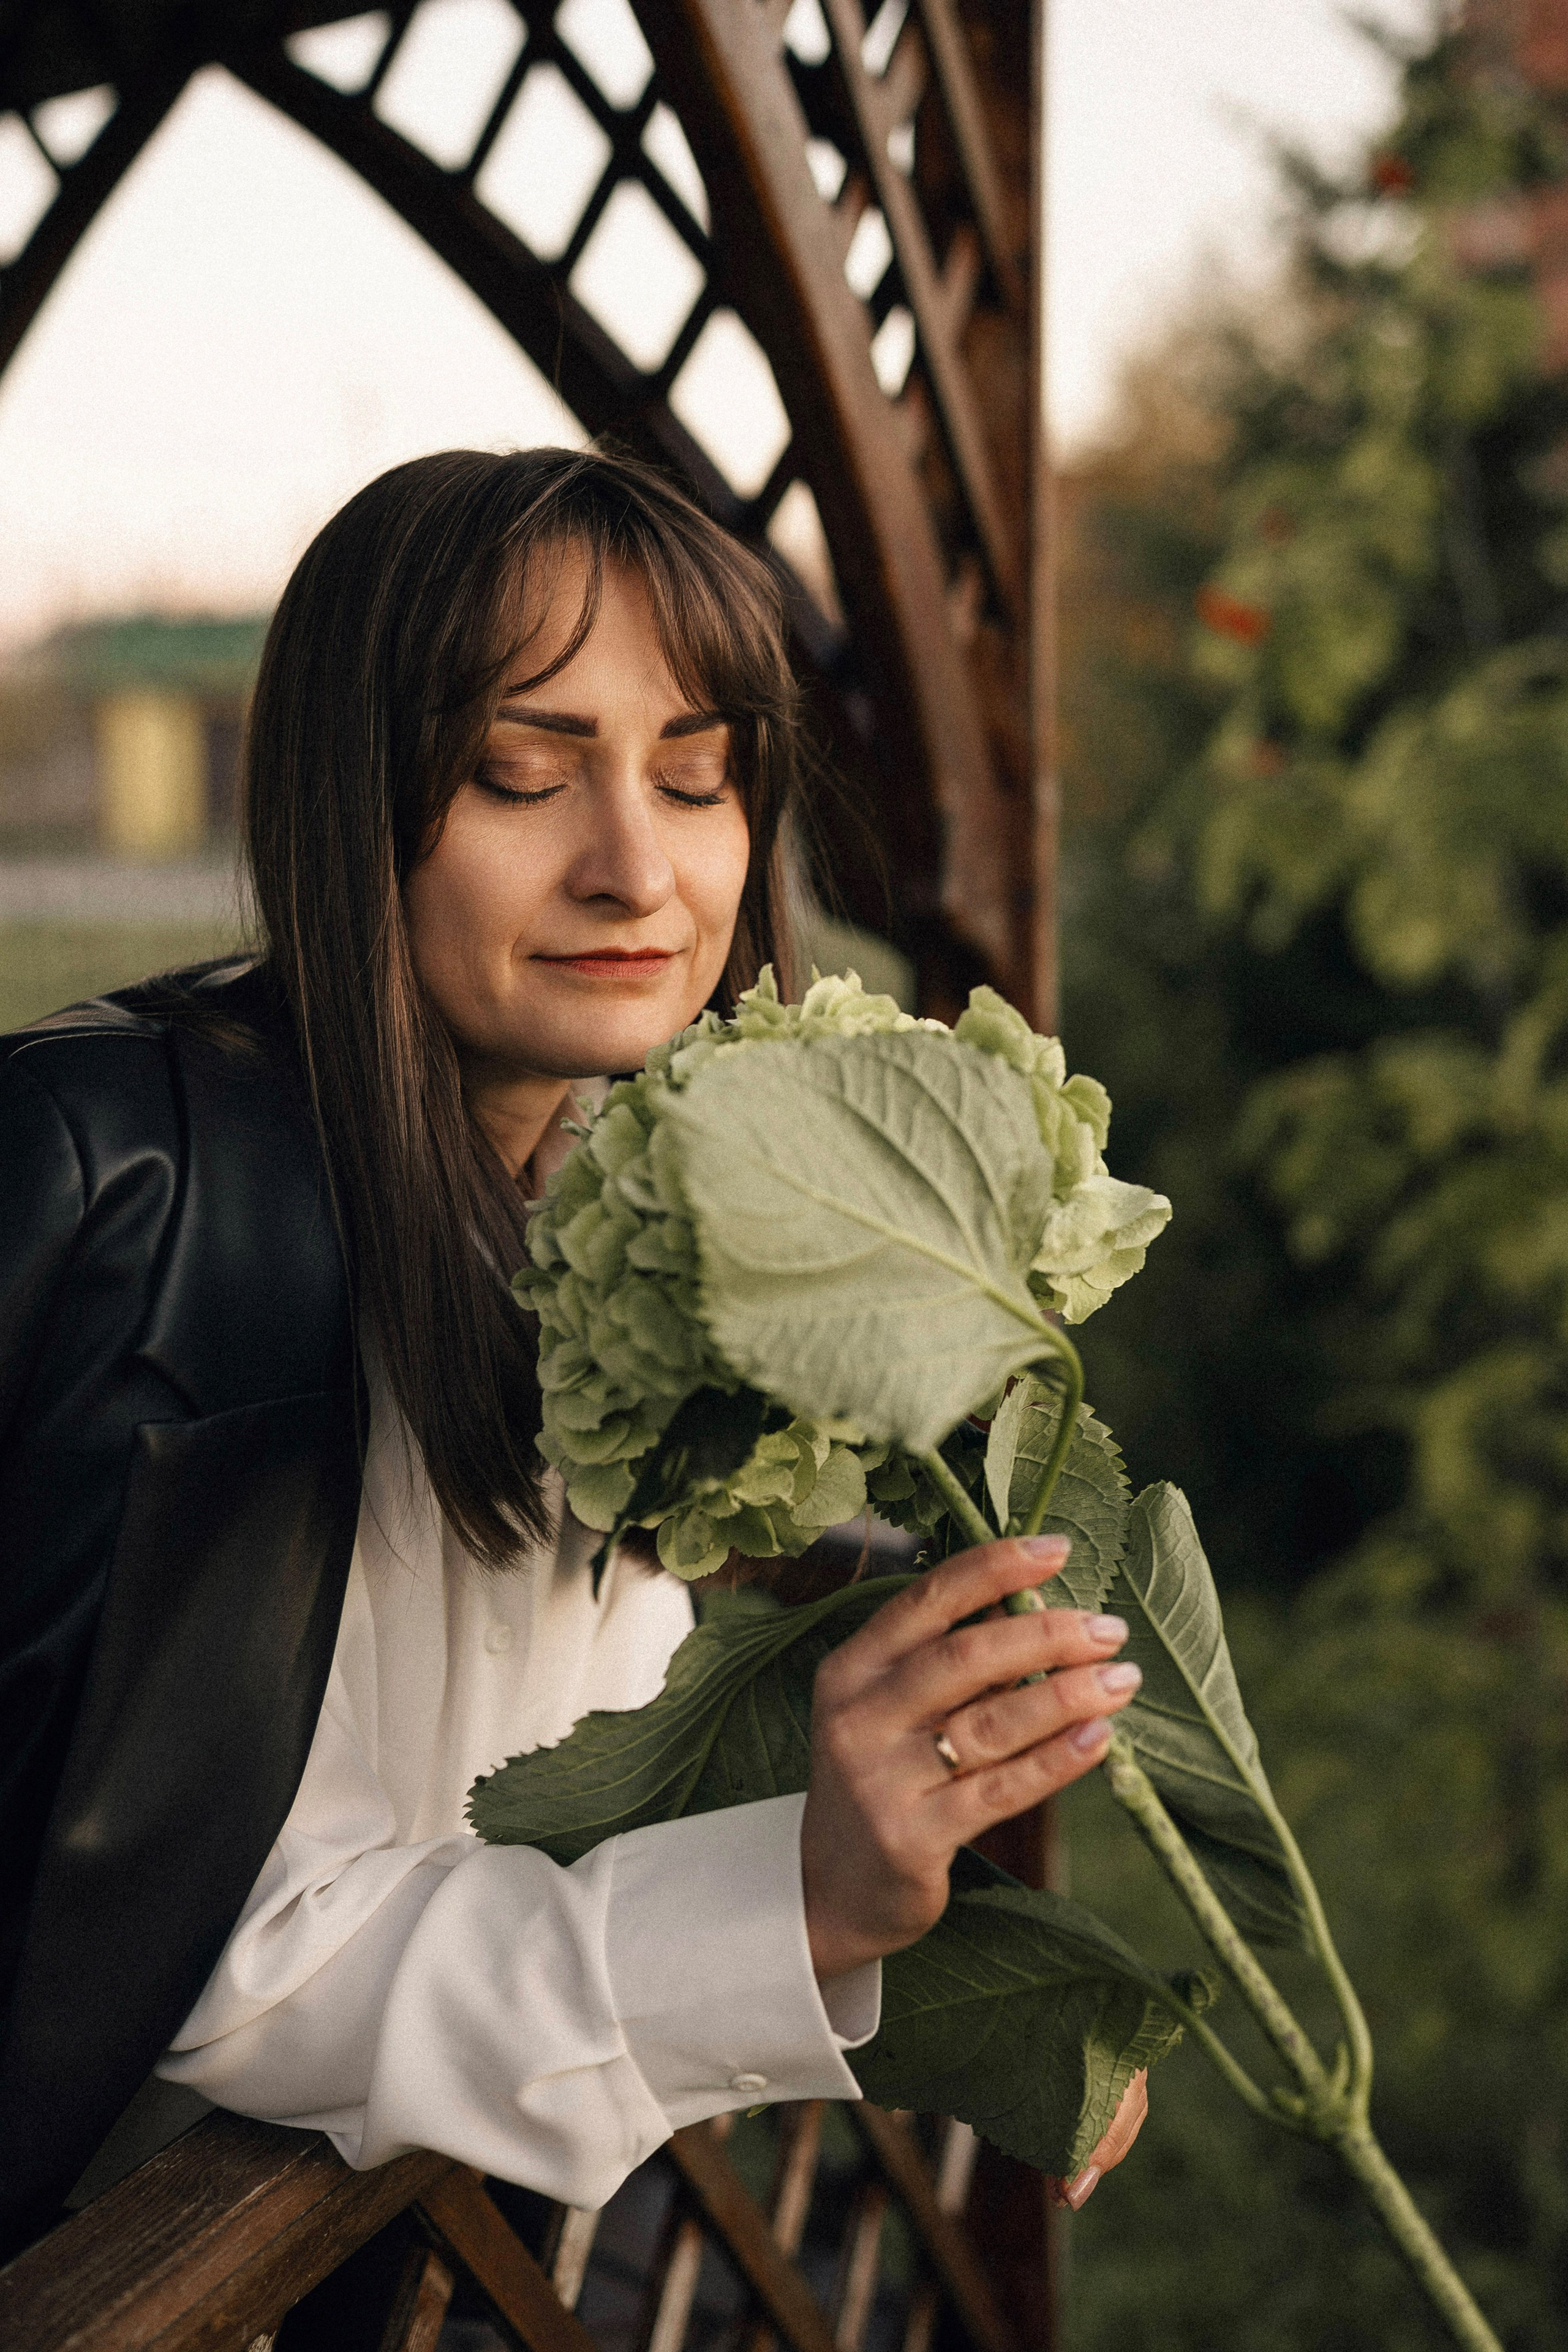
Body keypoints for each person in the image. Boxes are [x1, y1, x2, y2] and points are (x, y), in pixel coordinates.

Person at [0, 447, 1146, 2261]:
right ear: (350, 801)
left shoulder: (610, 1205)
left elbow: (569, 1771)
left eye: (698, 780)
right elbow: (206, 1949)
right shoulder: (147, 1197)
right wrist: (797, 1895)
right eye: (520, 775)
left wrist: (987, 1985)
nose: (636, 867)